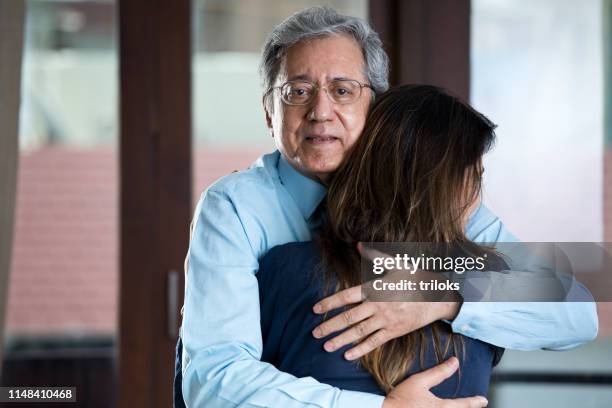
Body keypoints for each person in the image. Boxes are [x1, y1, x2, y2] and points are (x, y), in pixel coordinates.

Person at [177, 6, 598, 408]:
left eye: (342, 91)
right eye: (298, 92)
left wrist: (443, 295)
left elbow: (575, 311)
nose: (320, 112)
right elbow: (214, 381)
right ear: (269, 113)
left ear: (375, 108)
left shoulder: (429, 198)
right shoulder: (232, 207)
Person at [257, 84, 509, 400]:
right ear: (455, 188)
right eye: (477, 177)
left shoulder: (287, 269)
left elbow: (208, 392)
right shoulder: (490, 282)